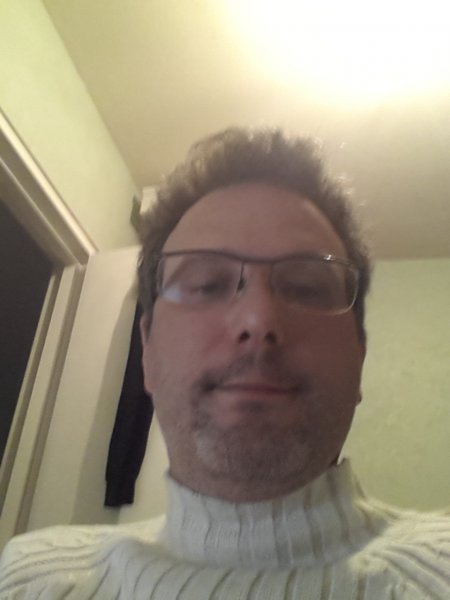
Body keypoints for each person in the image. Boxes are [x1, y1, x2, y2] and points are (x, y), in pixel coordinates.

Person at [0, 127, 448, 599]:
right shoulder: (28, 576)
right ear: (148, 352)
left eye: (306, 287)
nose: (259, 319)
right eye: (207, 285)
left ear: (359, 356)